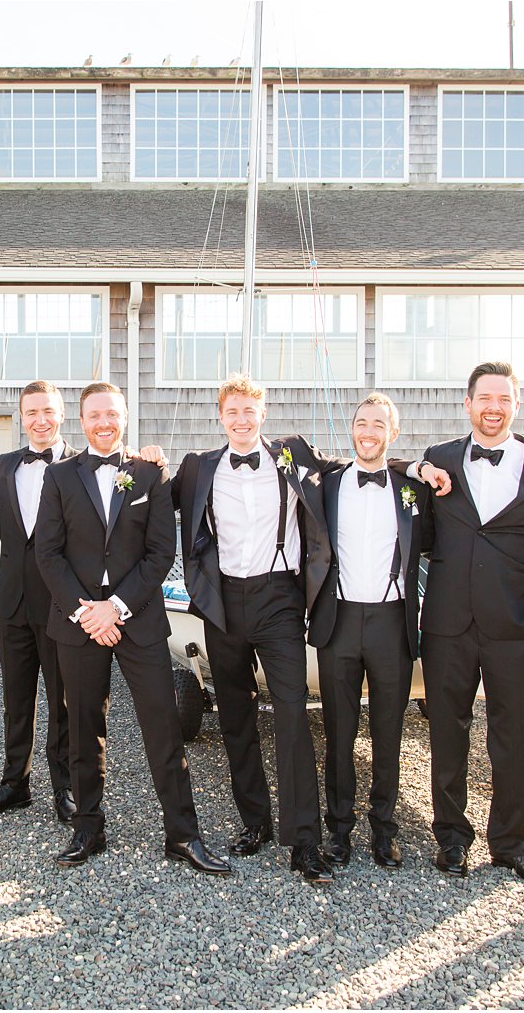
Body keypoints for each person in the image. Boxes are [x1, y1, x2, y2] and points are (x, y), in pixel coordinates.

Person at [33, 382, 229, 875]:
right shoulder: (58, 477)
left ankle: (183, 835)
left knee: (163, 725)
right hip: (78, 623)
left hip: (137, 619)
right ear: (82, 420)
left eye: (112, 414)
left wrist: (115, 607)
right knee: (83, 728)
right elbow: (48, 553)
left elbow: (161, 551)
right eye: (95, 414)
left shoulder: (149, 474)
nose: (104, 422)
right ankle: (88, 827)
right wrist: (87, 611)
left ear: (124, 416)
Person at [413, 361, 524, 884]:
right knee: (447, 732)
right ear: (468, 403)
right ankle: (452, 838)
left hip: (517, 628)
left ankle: (510, 841)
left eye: (503, 399)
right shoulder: (437, 461)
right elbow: (389, 475)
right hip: (447, 624)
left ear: (516, 405)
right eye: (485, 398)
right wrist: (416, 469)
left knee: (517, 736)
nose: (493, 407)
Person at [167, 375, 334, 883]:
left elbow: (354, 468)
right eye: (232, 411)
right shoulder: (200, 467)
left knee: (290, 714)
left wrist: (416, 466)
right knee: (236, 718)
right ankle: (255, 822)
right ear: (222, 417)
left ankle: (305, 840)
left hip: (279, 598)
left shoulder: (294, 454)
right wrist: (146, 459)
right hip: (224, 603)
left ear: (263, 413)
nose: (241, 420)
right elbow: (157, 499)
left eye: (249, 411)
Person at [307, 392, 428, 872]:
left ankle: (384, 829)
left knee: (387, 732)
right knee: (338, 733)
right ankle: (338, 830)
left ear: (392, 434)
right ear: (352, 430)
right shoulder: (329, 484)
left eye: (380, 424)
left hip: (392, 621)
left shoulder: (409, 487)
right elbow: (292, 447)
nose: (369, 431)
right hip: (339, 619)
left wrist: (413, 468)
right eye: (362, 422)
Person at [0, 381, 77, 823]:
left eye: (48, 411)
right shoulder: (6, 464)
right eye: (31, 412)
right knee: (17, 698)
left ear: (62, 414)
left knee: (62, 700)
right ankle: (15, 784)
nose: (40, 420)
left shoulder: (82, 464)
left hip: (63, 603)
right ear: (21, 416)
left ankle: (65, 787)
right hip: (11, 600)